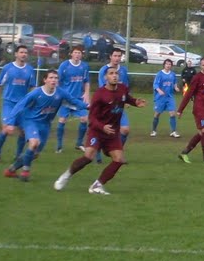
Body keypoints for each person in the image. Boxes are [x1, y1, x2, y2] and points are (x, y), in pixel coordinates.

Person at [57, 62, 143, 194]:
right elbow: (91, 118)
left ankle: (97, 185)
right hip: (97, 131)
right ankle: (67, 175)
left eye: (116, 73)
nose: (114, 76)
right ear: (105, 78)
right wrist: (103, 127)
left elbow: (126, 98)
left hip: (112, 133)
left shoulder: (122, 88)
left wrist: (135, 102)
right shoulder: (99, 94)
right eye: (111, 74)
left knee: (119, 159)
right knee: (88, 157)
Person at [2, 70, 89, 182]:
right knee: (34, 143)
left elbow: (73, 101)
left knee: (35, 154)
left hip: (45, 125)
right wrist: (10, 122)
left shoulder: (60, 93)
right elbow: (20, 105)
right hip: (31, 121)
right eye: (51, 78)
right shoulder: (36, 93)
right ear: (45, 80)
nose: (54, 80)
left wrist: (87, 106)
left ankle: (11, 170)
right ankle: (25, 172)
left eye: (56, 78)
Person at [0, 44, 37, 162]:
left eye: (25, 53)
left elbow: (32, 87)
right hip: (9, 103)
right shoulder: (8, 68)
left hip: (23, 105)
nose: (23, 54)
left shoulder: (30, 70)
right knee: (7, 129)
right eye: (21, 52)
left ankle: (18, 155)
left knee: (22, 131)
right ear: (16, 54)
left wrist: (34, 101)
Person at [54, 45, 92, 152]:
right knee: (62, 120)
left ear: (82, 55)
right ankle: (59, 145)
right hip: (65, 99)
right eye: (75, 52)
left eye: (79, 53)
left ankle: (79, 143)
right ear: (71, 54)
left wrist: (87, 94)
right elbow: (57, 81)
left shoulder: (84, 66)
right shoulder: (64, 65)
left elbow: (86, 81)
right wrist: (58, 95)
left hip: (78, 99)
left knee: (84, 119)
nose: (77, 55)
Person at [97, 48, 133, 148]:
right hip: (105, 106)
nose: (117, 58)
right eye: (115, 56)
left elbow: (125, 87)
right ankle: (97, 154)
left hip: (118, 106)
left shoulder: (123, 70)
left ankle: (117, 150)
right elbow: (102, 89)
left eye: (119, 56)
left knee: (125, 130)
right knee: (103, 130)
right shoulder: (104, 70)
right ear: (110, 56)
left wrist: (127, 100)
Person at [149, 58, 182, 138]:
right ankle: (153, 130)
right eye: (167, 64)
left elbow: (174, 83)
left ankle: (173, 131)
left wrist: (176, 88)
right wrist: (159, 90)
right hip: (160, 97)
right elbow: (155, 84)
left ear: (171, 65)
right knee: (157, 114)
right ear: (164, 65)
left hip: (169, 97)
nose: (168, 65)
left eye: (170, 64)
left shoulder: (173, 74)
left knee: (172, 113)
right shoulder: (159, 74)